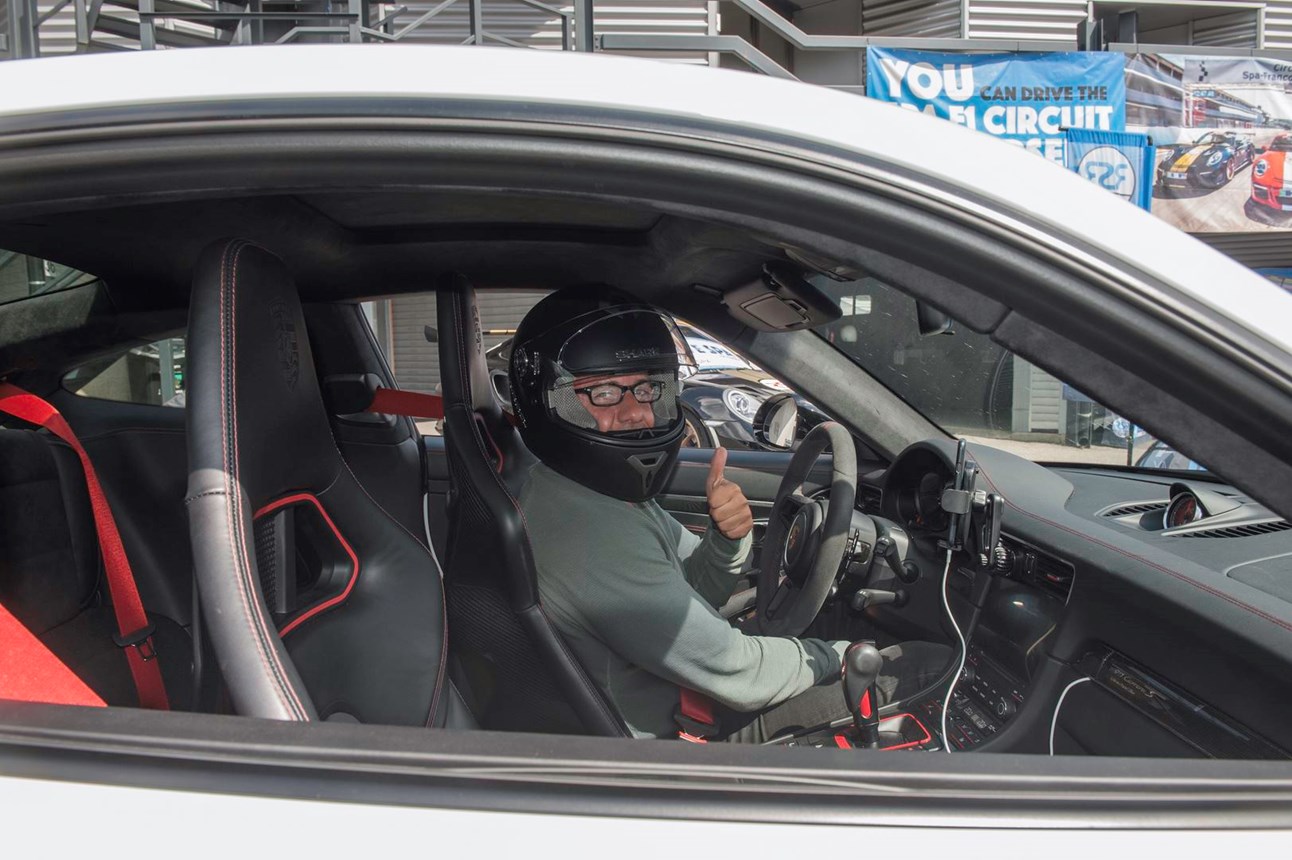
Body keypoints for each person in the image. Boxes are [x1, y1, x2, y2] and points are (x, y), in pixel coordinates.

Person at [512, 286, 950, 742]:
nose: (638, 414)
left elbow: (694, 596)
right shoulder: (590, 534)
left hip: (686, 692)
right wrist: (840, 656)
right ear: (550, 400)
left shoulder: (586, 493)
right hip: (669, 746)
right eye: (603, 393)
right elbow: (738, 672)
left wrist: (725, 540)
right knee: (921, 668)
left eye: (646, 388)